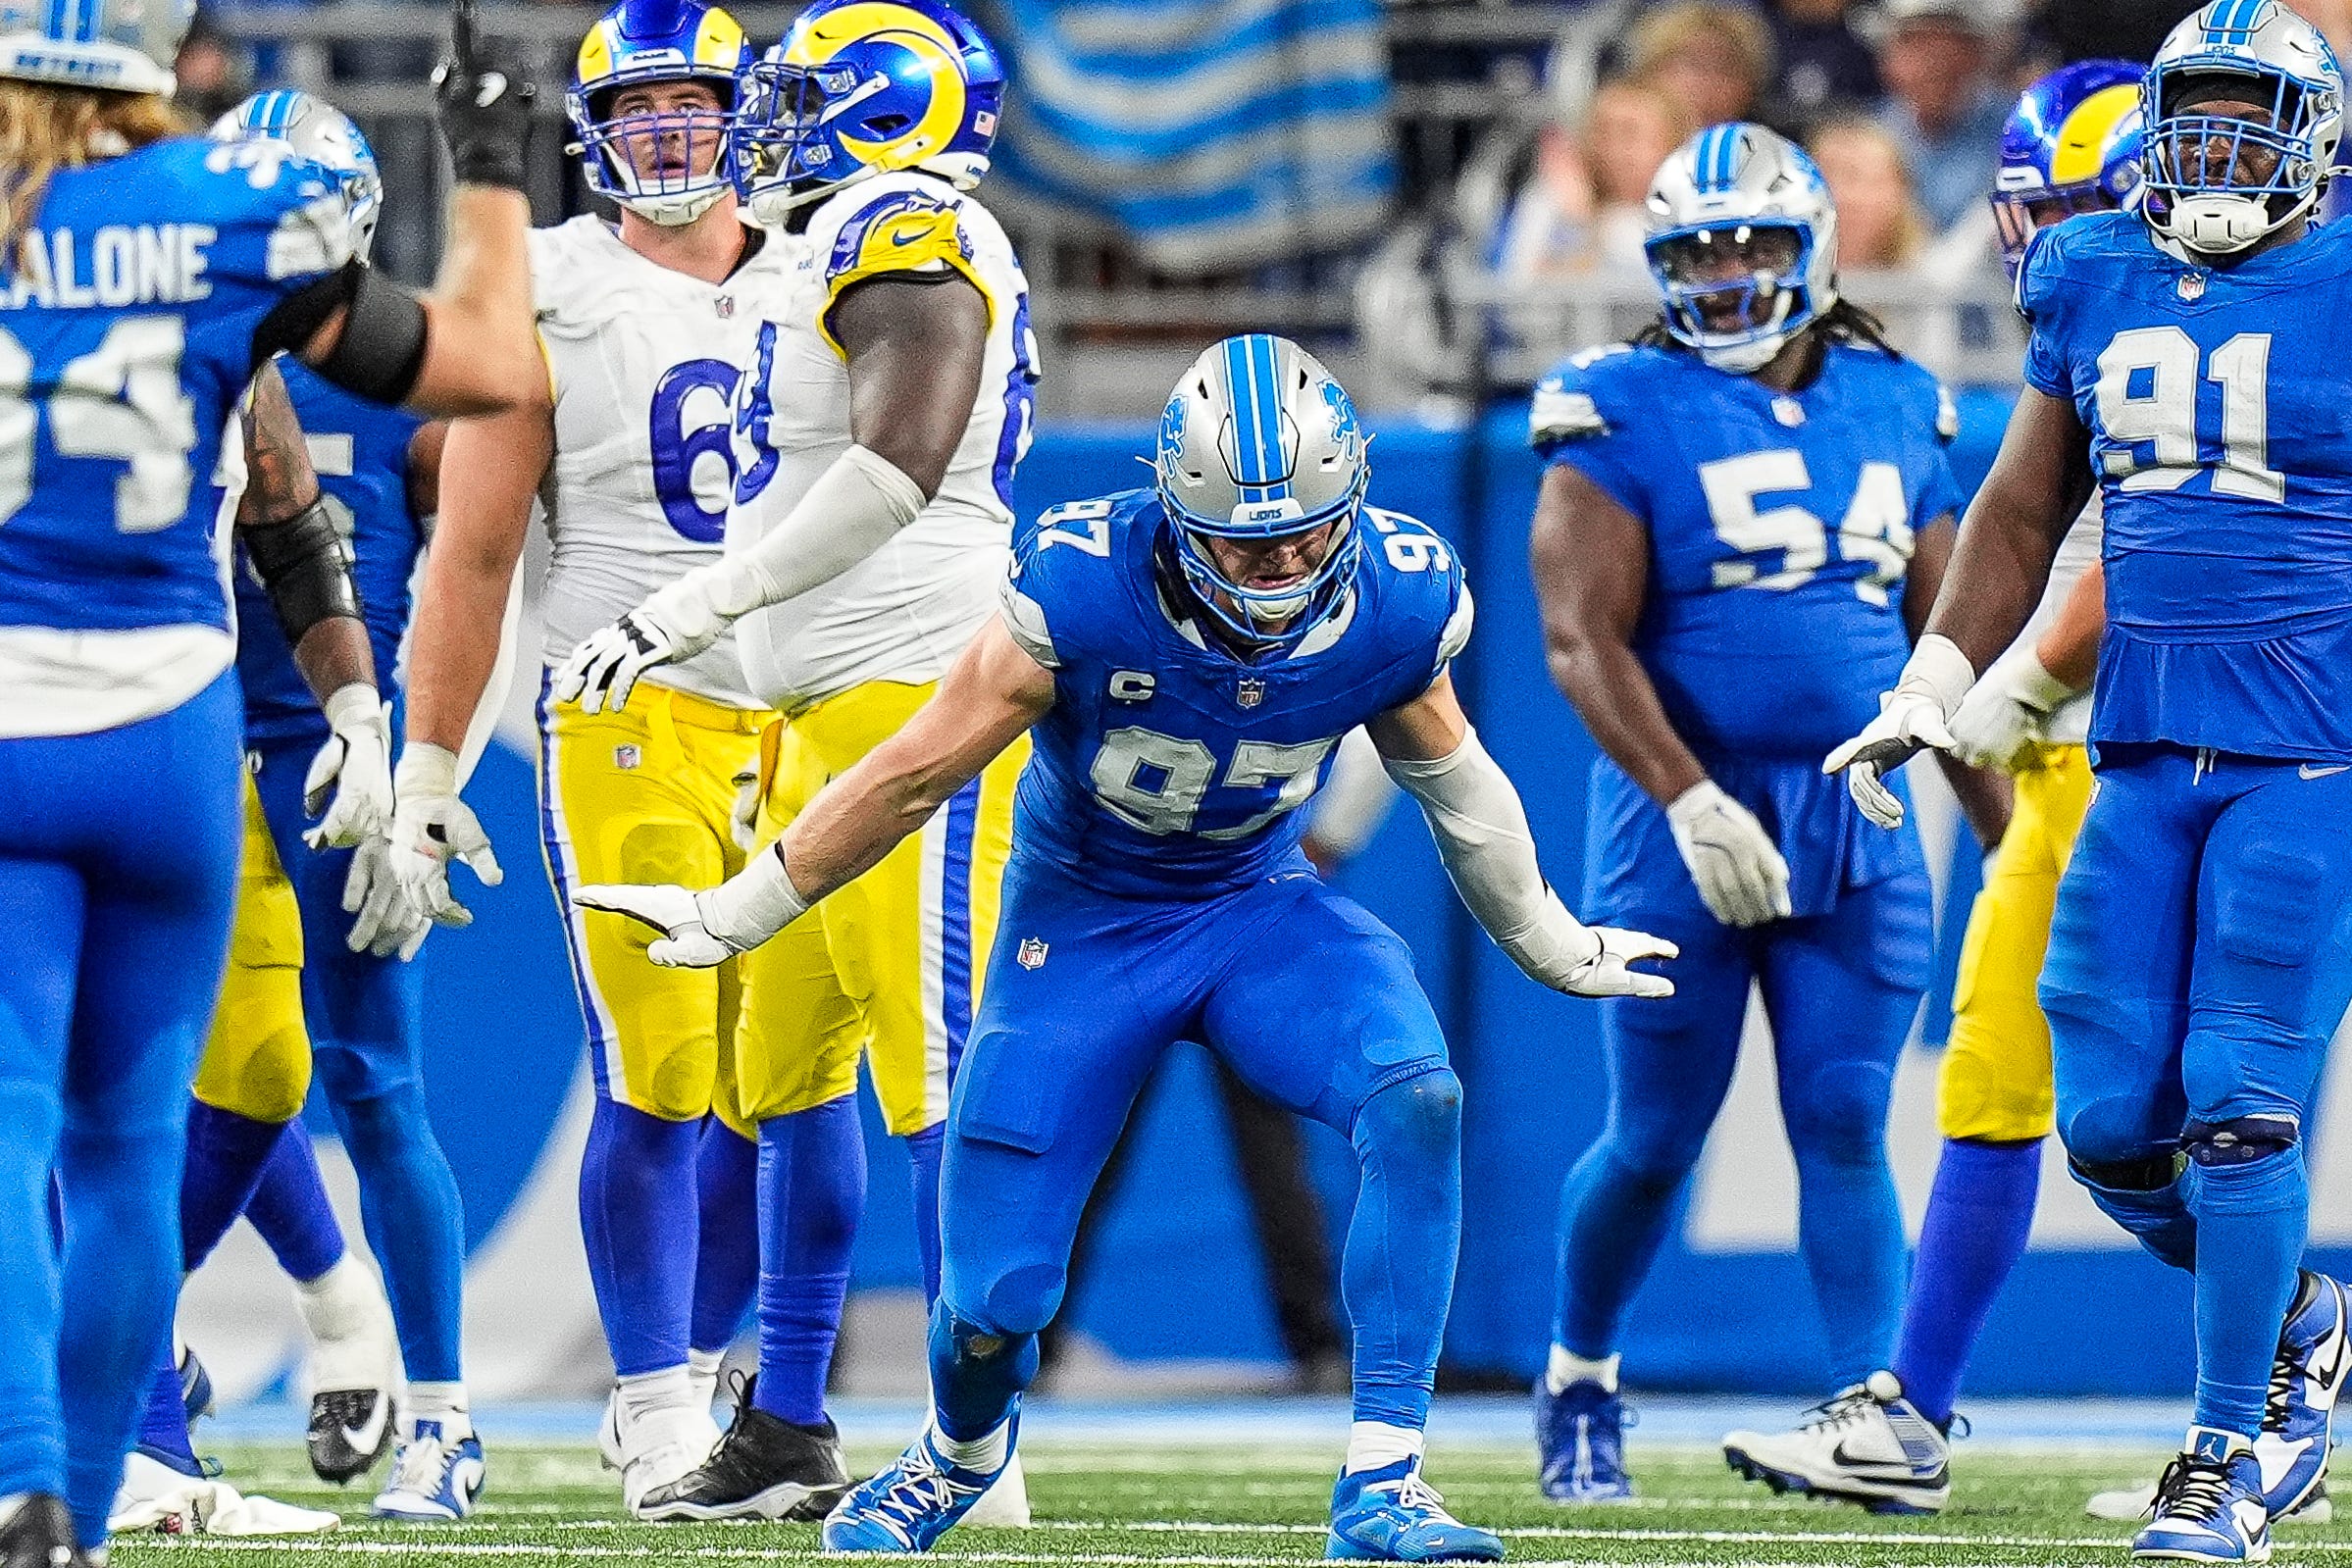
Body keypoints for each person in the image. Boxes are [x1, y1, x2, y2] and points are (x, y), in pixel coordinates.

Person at [574, 332, 1677, 1560]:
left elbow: (1458, 787)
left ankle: (1385, 1482)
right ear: (1179, 513)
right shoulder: (1084, 582)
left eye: (1311, 534)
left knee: (1415, 1095)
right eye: (1250, 546)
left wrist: (1542, 936)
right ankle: (958, 1454)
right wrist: (743, 910)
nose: (1285, 568)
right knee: (992, 1304)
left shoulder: (1396, 592)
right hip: (1082, 929)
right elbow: (911, 773)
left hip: (1257, 906)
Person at [0, 0, 540, 1555]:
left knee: (18, 1115)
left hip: (23, 724)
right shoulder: (217, 213)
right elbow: (481, 366)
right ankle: (94, 1508)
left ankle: (32, 1471)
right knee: (127, 1144)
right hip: (169, 732)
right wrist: (491, 161)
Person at [1825, 5, 2352, 1558]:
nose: (2209, 148)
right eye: (2188, 113)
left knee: (2241, 1103)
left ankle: (2223, 1453)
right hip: (2136, 752)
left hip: (2308, 755)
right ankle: (2304, 1315)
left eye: (2246, 114)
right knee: (2114, 1124)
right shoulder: (2091, 268)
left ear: (2312, 134)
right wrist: (1931, 688)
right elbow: (2013, 509)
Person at [548, 0, 1040, 1523]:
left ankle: (977, 1443)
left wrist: (713, 590)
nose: (767, 119)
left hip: (918, 701)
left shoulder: (905, 220)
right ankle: (792, 1419)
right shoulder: (833, 234)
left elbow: (897, 458)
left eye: (801, 94)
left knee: (937, 1076)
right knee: (787, 1072)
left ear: (884, 107)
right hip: (829, 712)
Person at [1522, 122, 1977, 1507]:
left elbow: (1946, 636)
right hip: (1680, 814)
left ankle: (1877, 1414)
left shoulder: (1901, 398)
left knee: (1843, 1115)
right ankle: (1580, 1369)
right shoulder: (1612, 403)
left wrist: (2015, 837)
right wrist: (1689, 797)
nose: (1721, 275)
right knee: (1655, 1132)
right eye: (1694, 253)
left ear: (1815, 250)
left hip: (1857, 815)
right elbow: (1577, 638)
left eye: (1750, 246)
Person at [1716, 61, 2148, 1515]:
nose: (2034, 246)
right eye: (2026, 217)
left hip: (2200, 748)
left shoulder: (2214, 340)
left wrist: (2014, 685)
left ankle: (2268, 1373)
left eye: (2060, 213)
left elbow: (2152, 550)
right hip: (2076, 754)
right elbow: (2019, 528)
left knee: (2188, 1100)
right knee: (2018, 1073)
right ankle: (1917, 1404)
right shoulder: (2095, 331)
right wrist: (1956, 710)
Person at [385, 0, 791, 1519]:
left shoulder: (829, 265)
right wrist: (430, 763)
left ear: (747, 116)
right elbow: (476, 552)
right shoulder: (555, 284)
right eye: (643, 108)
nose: (672, 134)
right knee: (661, 1065)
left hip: (798, 706)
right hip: (624, 703)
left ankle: (730, 1376)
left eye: (697, 103)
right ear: (594, 135)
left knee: (785, 1083)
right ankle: (649, 1400)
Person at [126, 89, 479, 1525]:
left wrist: (426, 750)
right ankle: (130, 1379)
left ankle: (439, 1419)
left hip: (334, 748)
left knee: (365, 1079)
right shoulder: (168, 328)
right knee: (170, 1082)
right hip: (177, 734)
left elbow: (487, 555)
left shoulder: (399, 361)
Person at [1868, 0, 2014, 232]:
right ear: (1889, 61)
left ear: (1976, 55)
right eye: (1915, 44)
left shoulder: (2014, 129)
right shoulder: (1869, 131)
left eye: (1946, 45)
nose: (1932, 64)